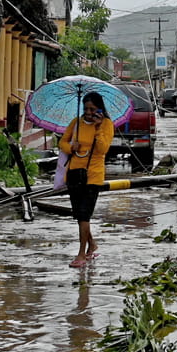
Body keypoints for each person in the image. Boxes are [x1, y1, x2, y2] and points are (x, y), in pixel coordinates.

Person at [61, 92, 114, 268]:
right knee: (79, 215)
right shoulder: (76, 123)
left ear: (100, 109)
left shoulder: (106, 125)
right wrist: (70, 147)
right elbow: (62, 142)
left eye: (93, 109)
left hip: (93, 176)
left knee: (84, 215)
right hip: (74, 173)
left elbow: (103, 149)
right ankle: (92, 244)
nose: (89, 112)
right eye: (86, 109)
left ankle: (82, 254)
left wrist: (98, 128)